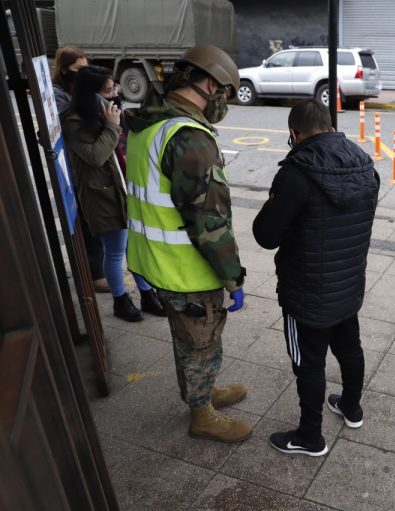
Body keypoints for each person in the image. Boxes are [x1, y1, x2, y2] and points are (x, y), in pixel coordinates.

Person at [124, 44, 251, 443]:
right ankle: (202, 413)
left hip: (156, 259)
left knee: (187, 336)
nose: (223, 103)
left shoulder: (149, 122)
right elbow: (209, 224)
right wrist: (233, 277)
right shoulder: (189, 138)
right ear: (211, 85)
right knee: (200, 340)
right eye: (225, 93)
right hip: (187, 268)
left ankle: (204, 390)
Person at [253, 99, 379, 456]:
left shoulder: (295, 174)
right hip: (348, 284)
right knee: (350, 348)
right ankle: (351, 407)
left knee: (308, 363)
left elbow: (266, 235)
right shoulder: (365, 165)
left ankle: (310, 438)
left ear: (295, 133)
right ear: (330, 127)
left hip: (305, 292)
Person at [60, 66, 165, 322]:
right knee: (116, 250)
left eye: (114, 87)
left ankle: (147, 293)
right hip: (102, 195)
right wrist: (111, 127)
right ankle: (120, 300)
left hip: (124, 189)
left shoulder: (107, 112)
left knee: (134, 246)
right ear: (91, 94)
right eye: (108, 90)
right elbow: (95, 156)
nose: (114, 94)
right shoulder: (74, 121)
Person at [52, 45, 109, 293]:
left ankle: (99, 269)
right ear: (64, 69)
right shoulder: (58, 95)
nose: (83, 73)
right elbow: (70, 124)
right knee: (86, 221)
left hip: (90, 165)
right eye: (78, 69)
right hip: (74, 165)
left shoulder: (80, 89)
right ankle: (95, 274)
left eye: (86, 68)